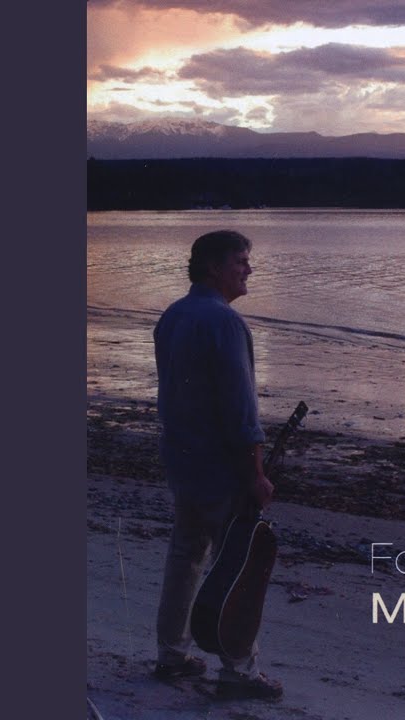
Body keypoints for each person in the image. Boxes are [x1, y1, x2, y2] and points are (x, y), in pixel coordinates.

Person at [151, 230, 282, 700]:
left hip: (182, 460)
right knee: (239, 567)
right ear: (213, 266)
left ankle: (172, 654)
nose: (249, 269)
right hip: (219, 467)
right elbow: (241, 411)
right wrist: (256, 474)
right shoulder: (225, 323)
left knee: (186, 557)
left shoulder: (173, 315)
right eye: (240, 261)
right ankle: (239, 671)